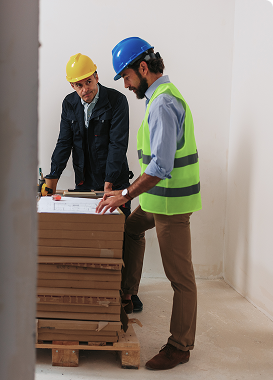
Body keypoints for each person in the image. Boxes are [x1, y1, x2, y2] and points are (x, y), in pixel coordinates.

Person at [96, 37, 202, 370]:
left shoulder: (162, 104)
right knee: (131, 228)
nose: (126, 85)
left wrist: (124, 194)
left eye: (126, 77)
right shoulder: (156, 97)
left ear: (143, 68)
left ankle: (180, 346)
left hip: (171, 205)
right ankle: (127, 294)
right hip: (159, 200)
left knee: (180, 277)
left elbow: (161, 166)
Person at [44, 53, 133, 218]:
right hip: (84, 183)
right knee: (88, 235)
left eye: (88, 82)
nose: (85, 89)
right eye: (79, 85)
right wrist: (52, 178)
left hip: (114, 182)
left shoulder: (116, 101)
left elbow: (117, 145)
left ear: (96, 76)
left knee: (119, 235)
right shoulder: (69, 104)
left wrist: (109, 184)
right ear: (72, 86)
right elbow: (64, 143)